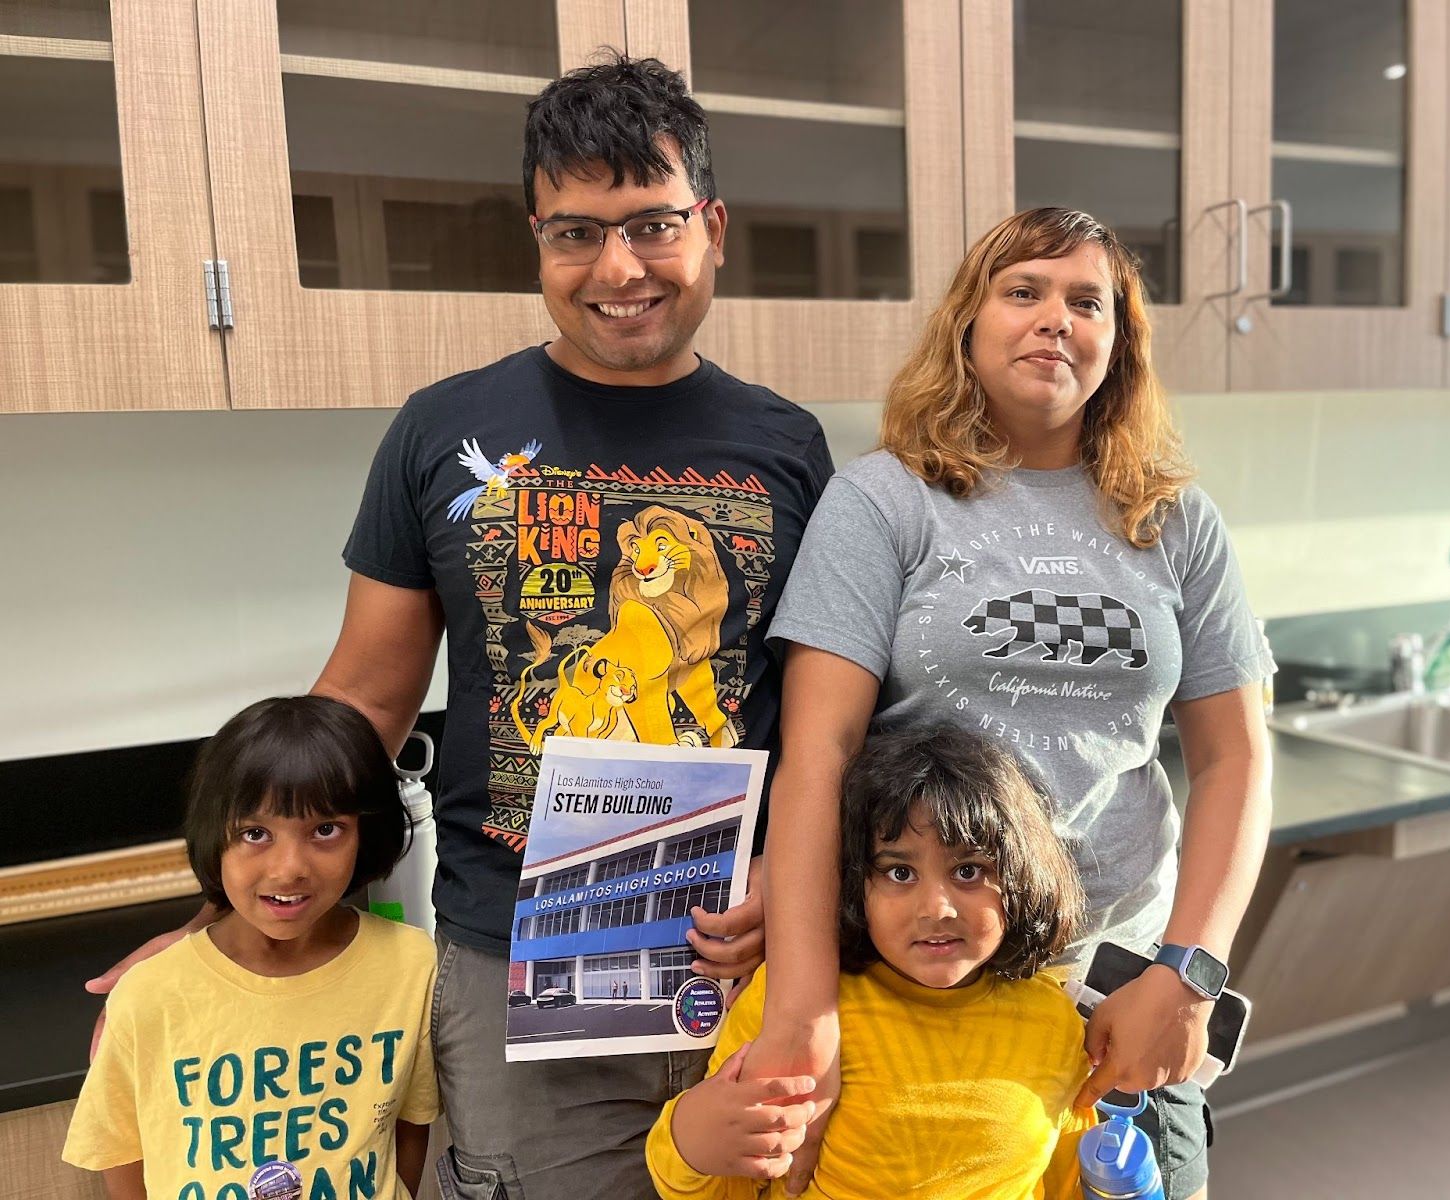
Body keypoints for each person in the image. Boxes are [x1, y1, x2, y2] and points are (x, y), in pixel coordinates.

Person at [85, 55, 832, 1197]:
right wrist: (220, 914)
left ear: (712, 227)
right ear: (535, 239)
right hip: (516, 964)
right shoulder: (444, 431)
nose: (616, 268)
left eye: (651, 226)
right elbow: (365, 702)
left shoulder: (787, 447)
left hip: (743, 953)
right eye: (575, 232)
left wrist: (790, 873)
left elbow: (824, 715)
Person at [756, 208, 1274, 1200]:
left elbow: (1233, 758)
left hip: (1114, 992)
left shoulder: (1175, 522)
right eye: (1023, 291)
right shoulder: (883, 502)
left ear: (1116, 344)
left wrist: (1189, 971)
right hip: (923, 987)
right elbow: (817, 758)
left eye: (1088, 302)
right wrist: (802, 1001)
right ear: (968, 321)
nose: (1055, 320)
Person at [647, 726, 1097, 1199]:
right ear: (853, 883)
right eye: (900, 872)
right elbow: (721, 1189)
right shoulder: (786, 1002)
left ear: (1024, 872)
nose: (937, 908)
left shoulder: (1056, 1025)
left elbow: (1070, 1184)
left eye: (969, 871)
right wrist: (690, 1138)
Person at [64, 696, 438, 1200]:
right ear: (212, 836)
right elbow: (119, 1154)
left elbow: (410, 1128)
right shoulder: (148, 995)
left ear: (365, 834)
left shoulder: (411, 966)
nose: (289, 868)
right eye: (255, 833)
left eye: (325, 830)